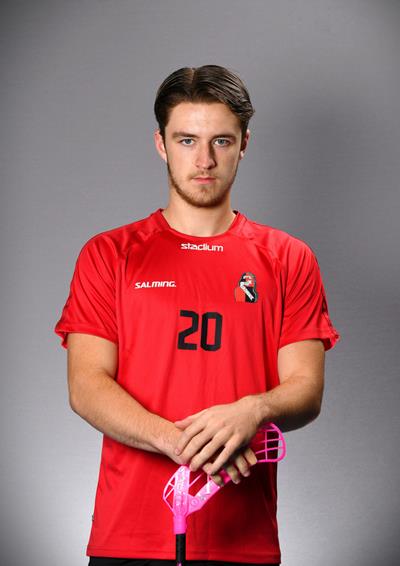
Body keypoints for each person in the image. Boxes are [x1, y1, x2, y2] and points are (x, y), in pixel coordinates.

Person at [54, 65, 340, 566]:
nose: (204, 160)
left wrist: (253, 410)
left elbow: (305, 389)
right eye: (187, 140)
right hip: (129, 536)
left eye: (221, 141)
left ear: (244, 144)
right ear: (161, 144)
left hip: (243, 541)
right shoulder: (110, 254)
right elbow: (86, 385)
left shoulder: (289, 258)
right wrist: (181, 443)